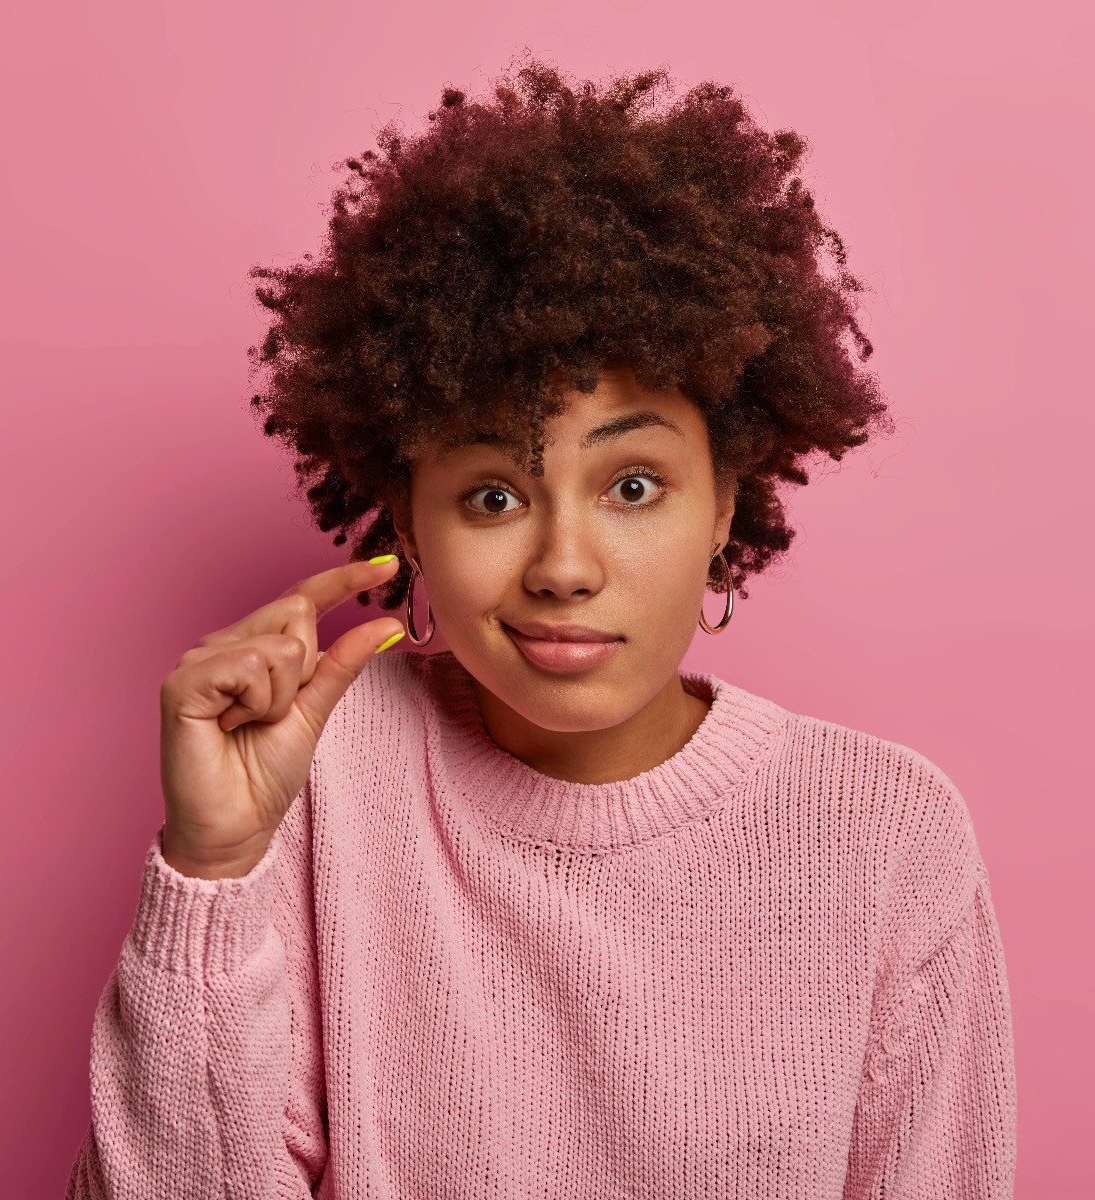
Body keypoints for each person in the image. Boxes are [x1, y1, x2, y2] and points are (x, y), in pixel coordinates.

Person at [66, 59, 1016, 1199]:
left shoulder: (882, 836)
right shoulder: (324, 772)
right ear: (407, 522)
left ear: (723, 500)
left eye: (631, 487)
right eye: (493, 497)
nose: (562, 568)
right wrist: (211, 870)